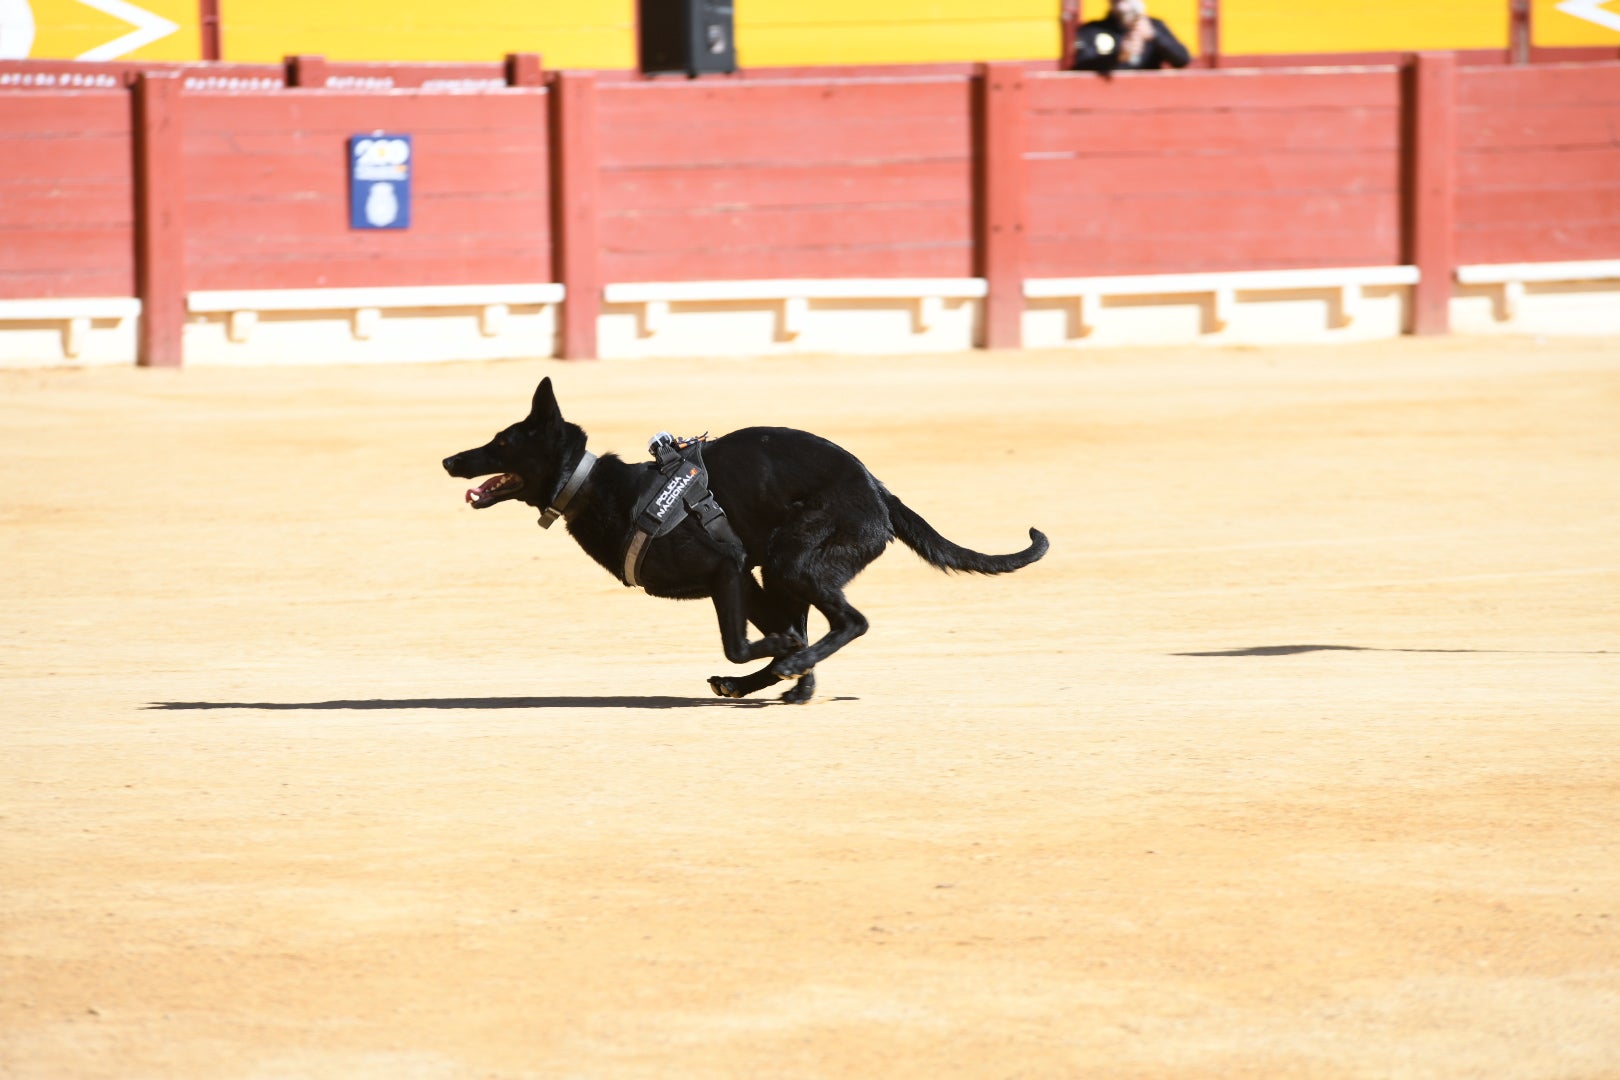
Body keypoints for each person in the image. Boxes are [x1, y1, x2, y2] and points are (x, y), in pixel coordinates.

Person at [1072, 0, 1190, 73]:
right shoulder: (1092, 30)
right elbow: (1081, 65)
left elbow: (1182, 59)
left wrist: (1155, 36)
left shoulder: (1154, 26)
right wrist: (1119, 56)